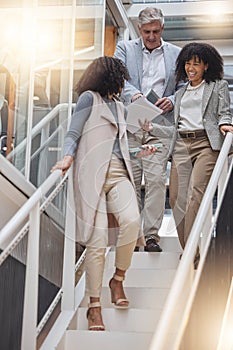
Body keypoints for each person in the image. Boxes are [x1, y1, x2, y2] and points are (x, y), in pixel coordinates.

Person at [52, 56, 157, 331]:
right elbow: (73, 132)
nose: (123, 84)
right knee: (96, 244)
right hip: (90, 176)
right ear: (109, 78)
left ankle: (118, 279)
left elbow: (118, 147)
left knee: (132, 221)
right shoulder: (89, 99)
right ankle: (94, 307)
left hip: (119, 173)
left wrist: (139, 151)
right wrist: (66, 157)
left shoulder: (121, 108)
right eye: (120, 79)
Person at [114, 7, 181, 252]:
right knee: (132, 180)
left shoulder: (176, 54)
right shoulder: (125, 48)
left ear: (162, 29)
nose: (150, 36)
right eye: (146, 32)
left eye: (155, 31)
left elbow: (184, 85)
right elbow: (118, 77)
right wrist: (135, 95)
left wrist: (173, 99)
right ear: (139, 30)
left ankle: (151, 236)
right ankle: (132, 235)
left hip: (159, 127)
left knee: (154, 180)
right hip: (133, 125)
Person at [168, 42, 233, 268]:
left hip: (206, 143)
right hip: (181, 144)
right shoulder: (180, 92)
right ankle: (190, 248)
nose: (191, 67)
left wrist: (226, 125)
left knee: (196, 192)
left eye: (196, 63)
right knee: (176, 198)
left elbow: (225, 112)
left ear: (206, 65)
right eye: (188, 63)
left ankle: (189, 253)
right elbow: (176, 124)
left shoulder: (218, 86)